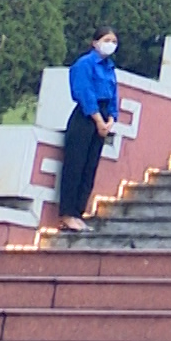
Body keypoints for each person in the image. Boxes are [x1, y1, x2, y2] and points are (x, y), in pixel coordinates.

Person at [56, 27, 119, 232]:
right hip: (86, 117)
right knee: (75, 165)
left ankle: (78, 212)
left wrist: (111, 119)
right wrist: (98, 120)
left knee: (89, 168)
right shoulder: (84, 64)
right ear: (95, 42)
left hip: (102, 117)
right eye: (106, 39)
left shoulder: (109, 68)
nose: (110, 44)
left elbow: (113, 95)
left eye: (113, 41)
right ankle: (67, 213)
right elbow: (84, 93)